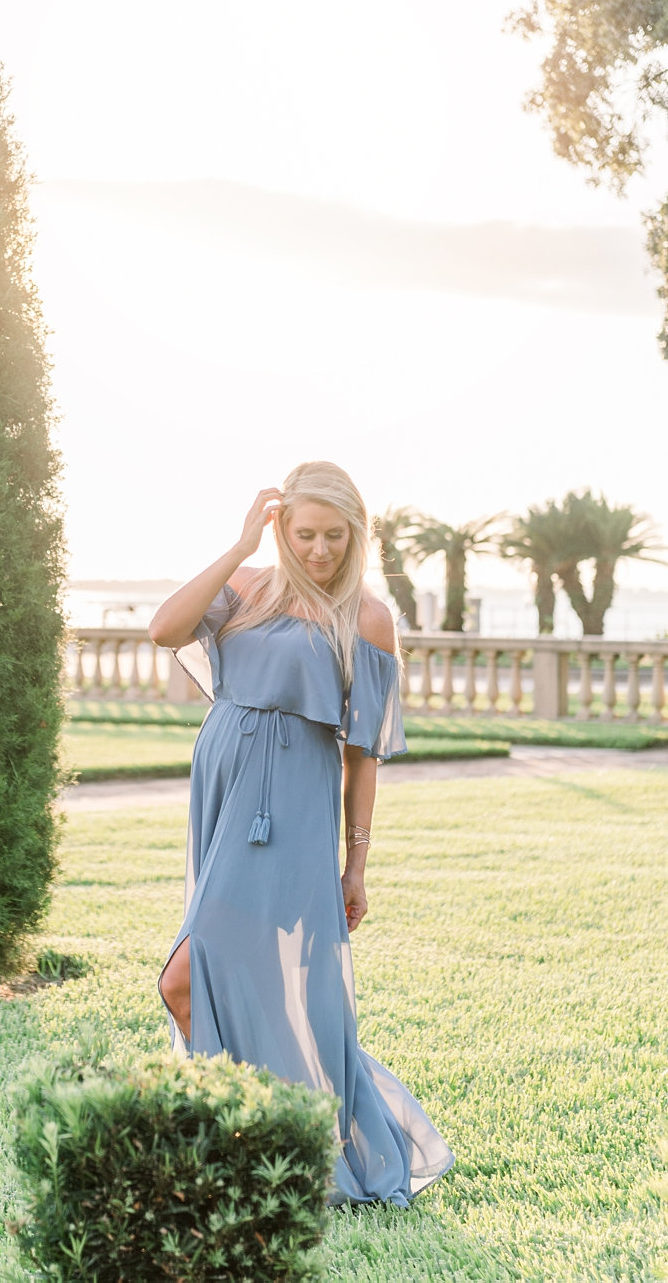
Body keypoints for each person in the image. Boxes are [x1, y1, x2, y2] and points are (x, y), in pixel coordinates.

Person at [149, 461, 454, 1207]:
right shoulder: (246, 586)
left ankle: (298, 1144)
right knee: (225, 978)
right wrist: (238, 544)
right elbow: (164, 629)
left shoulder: (368, 617)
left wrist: (356, 865)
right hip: (222, 796)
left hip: (289, 810)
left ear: (357, 535)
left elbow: (362, 756)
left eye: (334, 536)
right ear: (282, 527)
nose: (319, 550)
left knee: (192, 979)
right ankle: (244, 1144)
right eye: (305, 533)